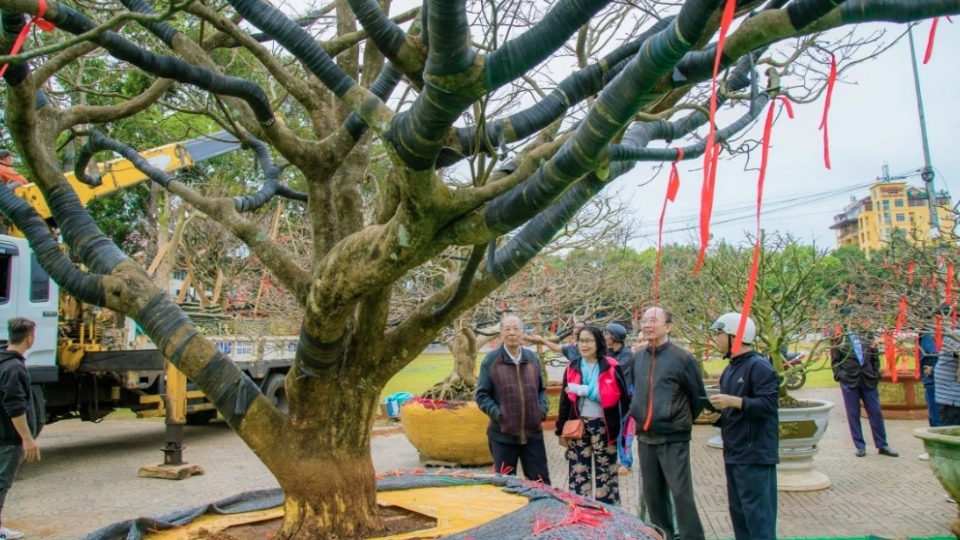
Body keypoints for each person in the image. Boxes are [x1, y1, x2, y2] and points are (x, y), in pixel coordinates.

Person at [630, 306, 707, 540]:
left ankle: (692, 537)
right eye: (643, 320)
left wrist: (678, 419)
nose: (646, 324)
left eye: (653, 320)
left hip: (673, 437)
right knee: (653, 494)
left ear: (668, 327)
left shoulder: (683, 358)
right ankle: (664, 535)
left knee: (681, 493)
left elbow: (698, 398)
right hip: (645, 436)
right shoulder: (638, 357)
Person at [708, 313, 779, 540]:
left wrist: (734, 401)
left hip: (755, 454)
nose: (716, 339)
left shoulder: (759, 367)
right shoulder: (730, 370)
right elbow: (736, 412)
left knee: (758, 518)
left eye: (719, 334)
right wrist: (718, 418)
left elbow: (768, 405)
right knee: (739, 515)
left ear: (735, 336)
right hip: (734, 452)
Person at [555, 325, 629, 504]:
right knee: (578, 470)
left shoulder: (611, 366)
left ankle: (609, 510)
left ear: (598, 343)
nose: (584, 345)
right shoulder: (572, 367)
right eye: (581, 341)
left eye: (588, 340)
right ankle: (581, 509)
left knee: (606, 470)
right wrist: (560, 430)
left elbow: (622, 398)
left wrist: (586, 391)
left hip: (604, 425)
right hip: (578, 425)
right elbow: (565, 401)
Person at [476, 315, 551, 484]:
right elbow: (482, 395)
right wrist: (500, 415)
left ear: (523, 333)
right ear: (501, 333)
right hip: (503, 435)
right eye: (507, 329)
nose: (512, 333)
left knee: (541, 483)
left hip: (533, 435)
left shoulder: (532, 359)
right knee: (505, 484)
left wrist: (541, 411)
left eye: (516, 329)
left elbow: (541, 390)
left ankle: (541, 511)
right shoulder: (491, 360)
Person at [830, 309, 898, 458]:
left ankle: (882, 445)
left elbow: (875, 356)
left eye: (857, 318)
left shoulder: (867, 334)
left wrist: (875, 373)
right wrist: (840, 376)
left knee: (876, 412)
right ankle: (860, 446)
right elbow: (835, 361)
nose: (855, 321)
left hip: (868, 379)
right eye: (852, 318)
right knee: (853, 414)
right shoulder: (838, 337)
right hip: (849, 381)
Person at [0, 317, 40, 540]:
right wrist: (27, 438)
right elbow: (15, 407)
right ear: (30, 338)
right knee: (1, 484)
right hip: (8, 438)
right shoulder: (14, 368)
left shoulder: (3, 358)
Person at [603, 323, 635, 475]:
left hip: (626, 401)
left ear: (615, 337)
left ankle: (626, 462)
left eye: (607, 334)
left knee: (624, 432)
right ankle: (615, 459)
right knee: (613, 430)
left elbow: (614, 374)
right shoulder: (608, 353)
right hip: (611, 399)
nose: (605, 337)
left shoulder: (627, 355)